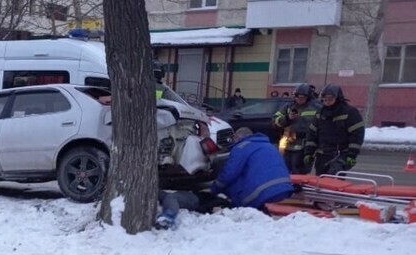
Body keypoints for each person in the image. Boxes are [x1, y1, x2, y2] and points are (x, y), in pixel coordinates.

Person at [155, 127, 292, 229]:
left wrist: (215, 188)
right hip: (284, 186)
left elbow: (229, 173)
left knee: (243, 204)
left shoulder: (242, 147)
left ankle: (167, 218)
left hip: (263, 189)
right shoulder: (267, 145)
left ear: (238, 138)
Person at [303, 84, 366, 176]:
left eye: (330, 99)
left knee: (333, 180)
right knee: (320, 182)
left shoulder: (350, 113)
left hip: (339, 155)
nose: (327, 102)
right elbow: (312, 134)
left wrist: (352, 155)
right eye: (325, 99)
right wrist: (308, 153)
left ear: (338, 98)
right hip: (322, 156)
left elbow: (357, 135)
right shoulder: (320, 113)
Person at [272, 83, 320, 174]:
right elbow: (275, 121)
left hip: (305, 145)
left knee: (300, 172)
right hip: (287, 144)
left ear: (308, 97)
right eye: (297, 97)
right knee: (284, 171)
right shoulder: (289, 106)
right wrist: (287, 118)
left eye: (302, 97)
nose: (299, 99)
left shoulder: (317, 108)